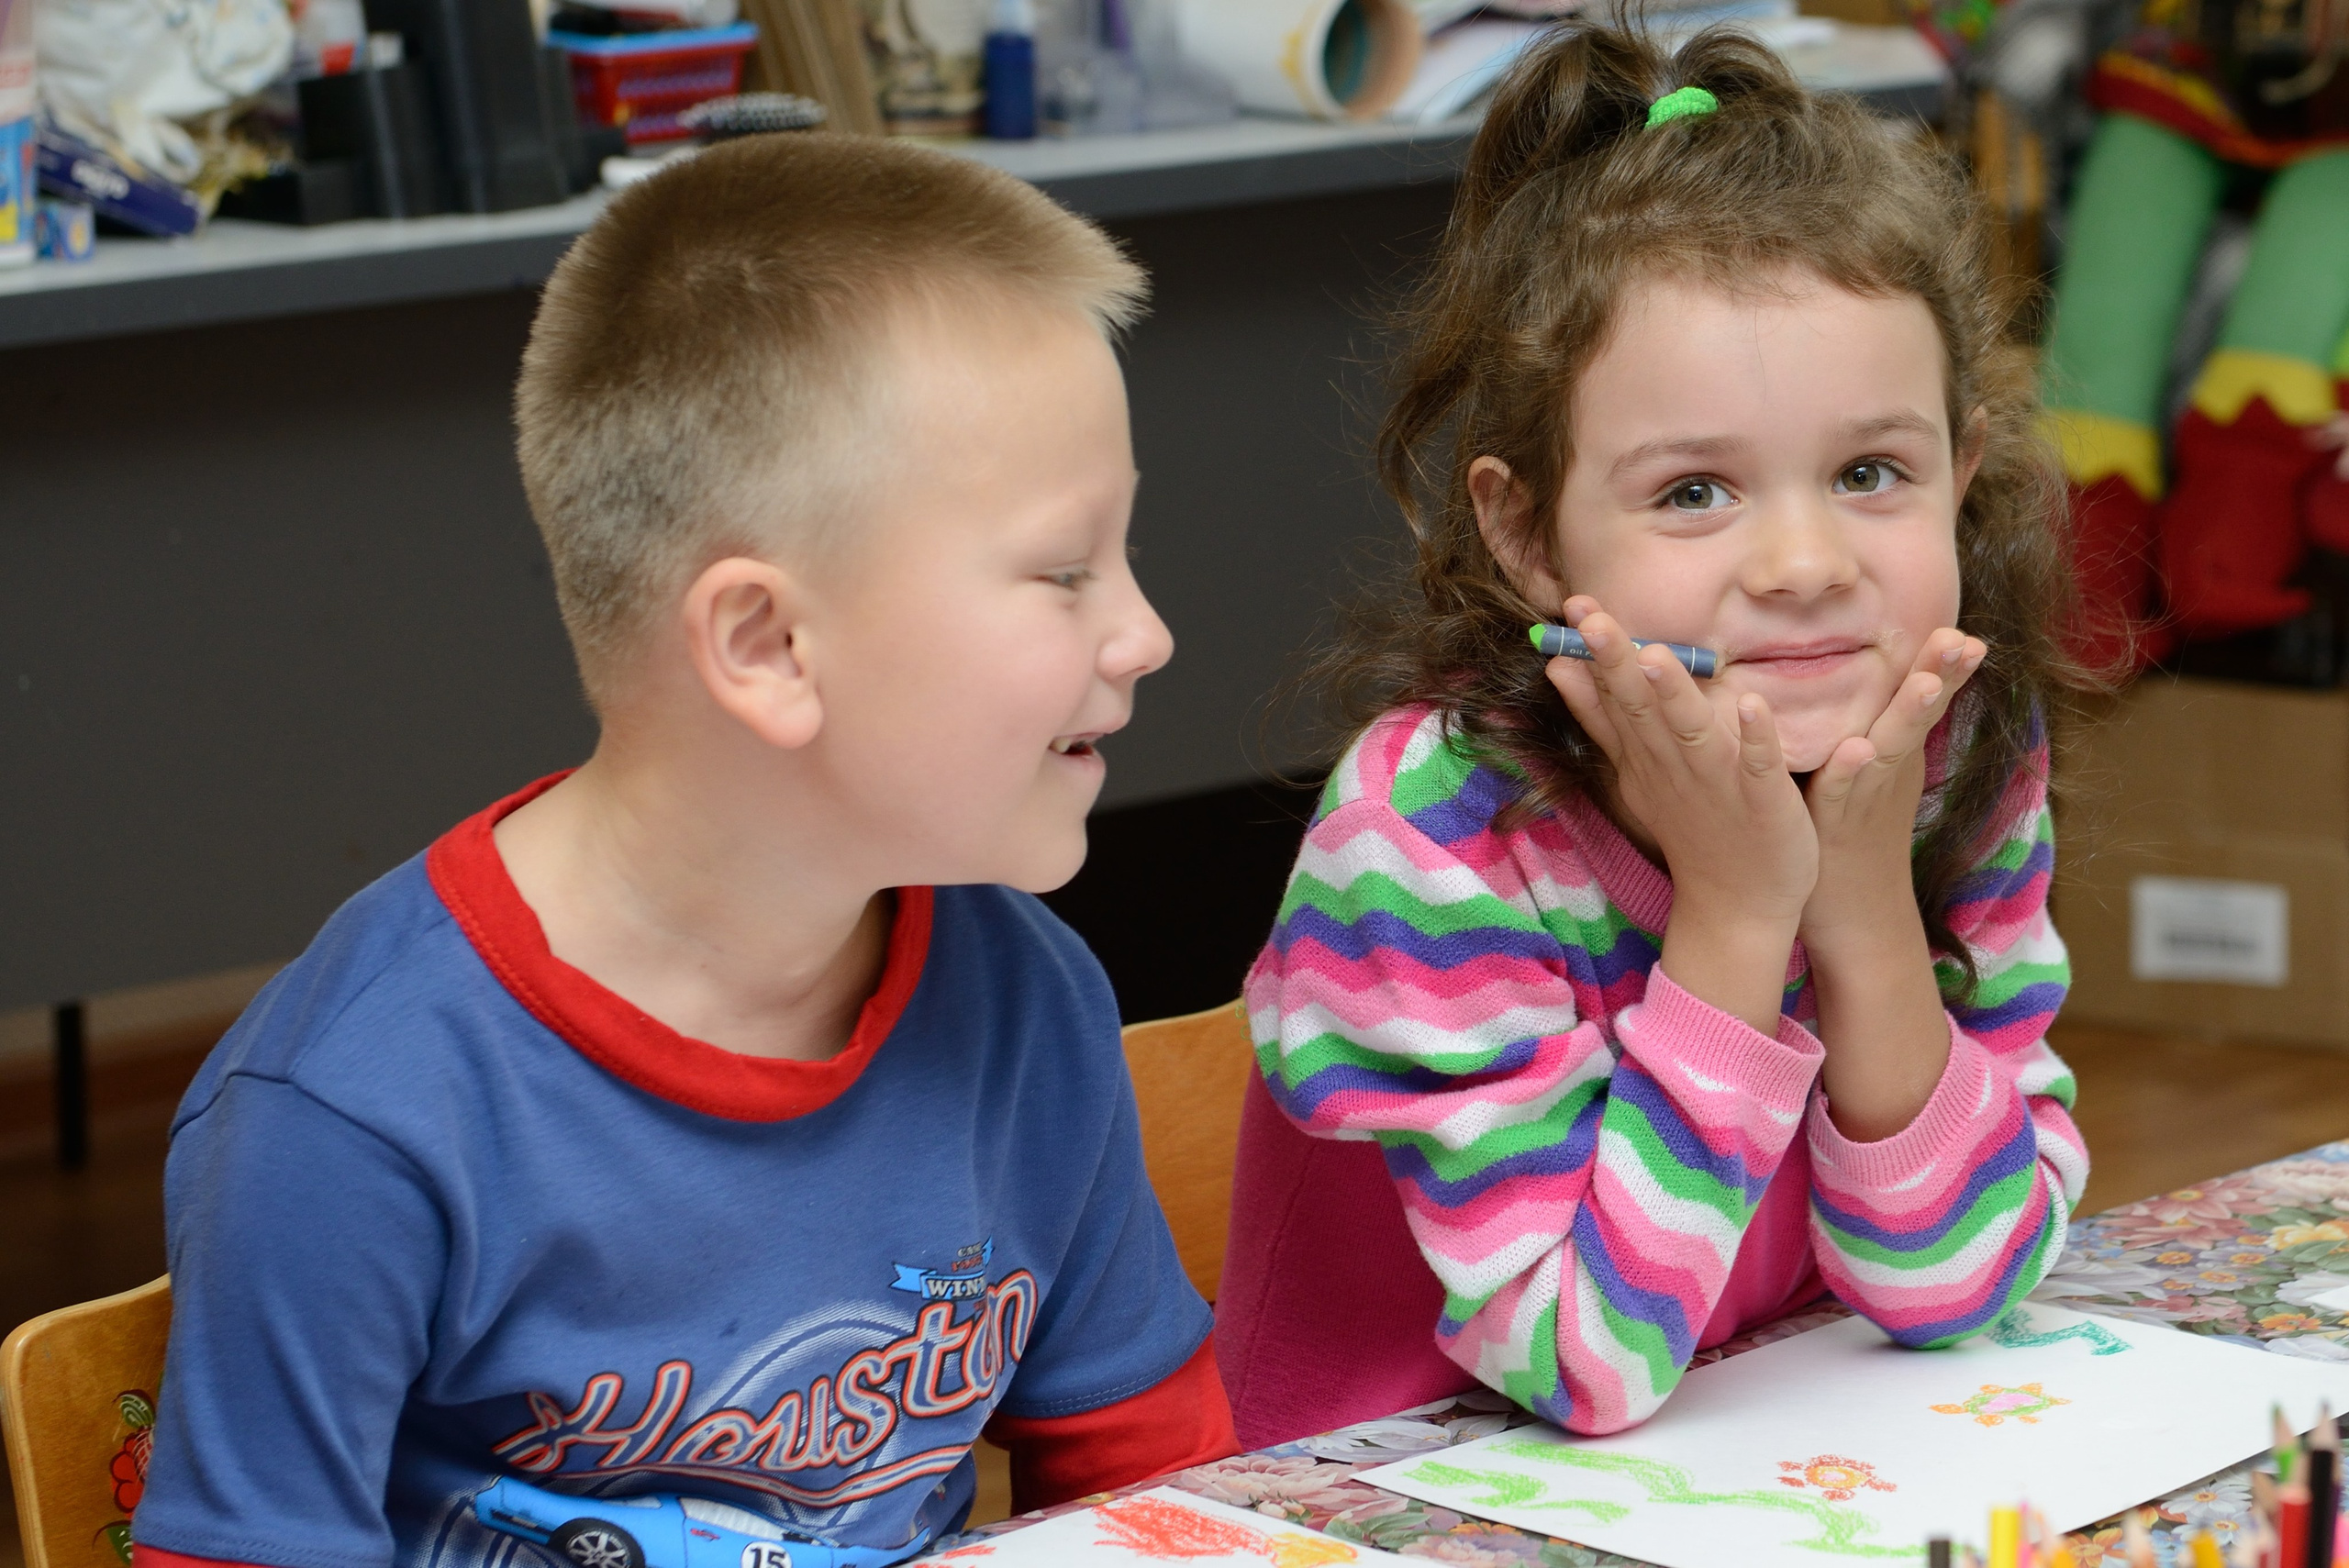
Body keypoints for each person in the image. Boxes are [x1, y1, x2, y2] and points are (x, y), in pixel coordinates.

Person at [131, 133, 1234, 1568]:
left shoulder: (1030, 1002)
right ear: (769, 644)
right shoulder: (358, 1109)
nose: (1146, 633)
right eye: (1066, 569)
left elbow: (1167, 1504)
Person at [1214, 25, 2091, 1450]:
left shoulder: (1949, 743)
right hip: (1405, 1501)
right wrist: (1745, 911)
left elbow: (1958, 1287)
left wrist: (1864, 910)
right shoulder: (1431, 835)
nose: (1806, 563)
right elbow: (1584, 1362)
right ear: (1525, 532)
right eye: (1694, 492)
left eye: (1872, 472)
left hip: (1768, 1459)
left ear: (1962, 472)